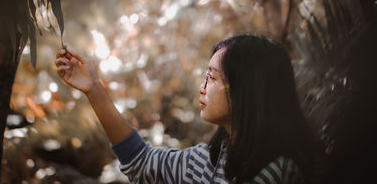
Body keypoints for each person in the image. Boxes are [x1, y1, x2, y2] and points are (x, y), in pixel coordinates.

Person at [55, 34, 315, 183]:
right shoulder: (209, 161)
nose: (202, 87)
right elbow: (141, 163)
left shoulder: (282, 171)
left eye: (212, 78)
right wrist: (93, 89)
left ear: (245, 88)